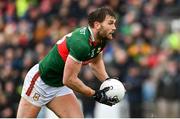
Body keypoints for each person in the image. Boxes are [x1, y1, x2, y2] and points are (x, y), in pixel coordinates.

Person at [17, 7, 118, 118]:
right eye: (110, 23)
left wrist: (108, 81)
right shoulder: (81, 44)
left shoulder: (101, 39)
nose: (114, 27)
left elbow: (95, 63)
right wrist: (94, 94)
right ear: (97, 25)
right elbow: (69, 80)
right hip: (40, 82)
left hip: (59, 85)